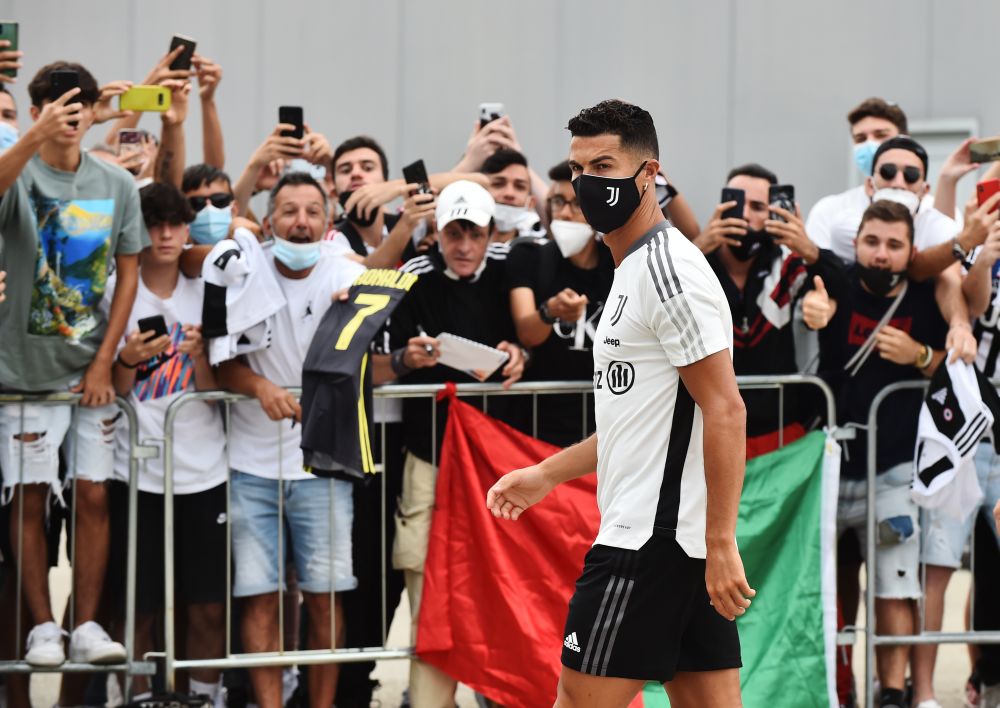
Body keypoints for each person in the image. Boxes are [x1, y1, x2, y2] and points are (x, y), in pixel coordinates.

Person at [488, 99, 752, 707]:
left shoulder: (667, 271)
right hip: (674, 545)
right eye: (578, 170)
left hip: (649, 545)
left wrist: (721, 541)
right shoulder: (630, 270)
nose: (587, 184)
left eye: (603, 166)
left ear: (649, 173)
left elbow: (726, 409)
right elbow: (640, 422)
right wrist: (547, 474)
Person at [0, 61, 137, 667]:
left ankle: (84, 625)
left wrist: (105, 360)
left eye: (79, 104)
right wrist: (33, 136)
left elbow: (128, 274)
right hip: (22, 371)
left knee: (94, 496)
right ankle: (42, 628)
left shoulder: (116, 183)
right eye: (57, 105)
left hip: (88, 370)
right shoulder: (18, 170)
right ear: (35, 112)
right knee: (29, 497)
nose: (69, 115)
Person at [214, 172, 365, 708]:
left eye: (312, 212)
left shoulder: (344, 270)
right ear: (268, 219)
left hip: (323, 466)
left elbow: (383, 286)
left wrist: (363, 297)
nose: (300, 222)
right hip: (249, 467)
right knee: (259, 600)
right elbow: (218, 362)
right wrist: (259, 386)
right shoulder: (243, 270)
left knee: (325, 599)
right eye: (289, 211)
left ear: (328, 222)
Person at [803, 200, 957, 708]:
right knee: (831, 587)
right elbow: (810, 303)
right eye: (872, 242)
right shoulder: (837, 285)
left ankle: (891, 693)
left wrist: (919, 354)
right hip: (826, 469)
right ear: (857, 244)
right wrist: (814, 313)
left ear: (910, 251)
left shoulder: (926, 296)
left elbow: (958, 368)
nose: (881, 254)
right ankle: (842, 687)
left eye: (894, 245)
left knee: (895, 587)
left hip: (894, 470)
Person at [382, 179, 527, 706]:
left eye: (475, 233)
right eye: (453, 233)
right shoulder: (414, 276)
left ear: (491, 234)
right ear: (437, 232)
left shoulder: (513, 269)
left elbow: (536, 338)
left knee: (502, 587)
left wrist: (523, 354)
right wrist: (407, 358)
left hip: (498, 461)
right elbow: (378, 360)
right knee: (428, 588)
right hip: (428, 456)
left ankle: (502, 693)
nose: (464, 245)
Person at [105, 183, 227, 704]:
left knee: (208, 608)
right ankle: (135, 696)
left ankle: (204, 696)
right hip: (134, 471)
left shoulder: (206, 290)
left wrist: (199, 355)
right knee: (138, 606)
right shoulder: (116, 290)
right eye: (155, 224)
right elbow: (112, 388)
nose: (166, 234)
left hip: (205, 471)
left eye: (176, 223)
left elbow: (216, 390)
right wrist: (128, 358)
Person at [694, 162, 848, 442]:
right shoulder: (693, 263)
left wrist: (808, 249)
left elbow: (847, 287)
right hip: (707, 429)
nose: (744, 214)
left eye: (757, 207)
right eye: (736, 202)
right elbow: (652, 288)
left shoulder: (788, 264)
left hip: (777, 433)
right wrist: (700, 246)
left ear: (774, 213)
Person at [506, 159, 614, 446]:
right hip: (540, 430)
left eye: (577, 203)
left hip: (606, 429)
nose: (565, 213)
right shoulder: (528, 257)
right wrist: (549, 312)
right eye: (557, 202)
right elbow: (527, 333)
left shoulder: (619, 263)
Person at [806, 98, 911, 260]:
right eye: (861, 138)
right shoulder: (828, 210)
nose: (869, 145)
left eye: (881, 135)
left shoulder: (930, 209)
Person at [480, 148, 544, 243]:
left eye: (519, 186)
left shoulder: (540, 244)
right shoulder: (460, 244)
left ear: (531, 203)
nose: (509, 193)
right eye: (498, 184)